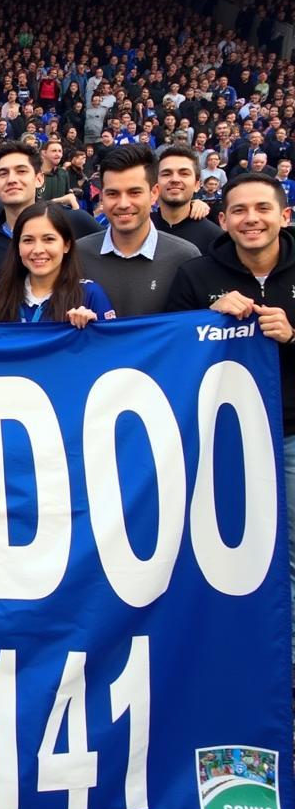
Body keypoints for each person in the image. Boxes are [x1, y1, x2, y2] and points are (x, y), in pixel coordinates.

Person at [165, 172, 295, 663]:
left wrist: (293, 335)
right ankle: (229, 659)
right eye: (239, 211)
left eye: (262, 209)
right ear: (223, 220)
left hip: (287, 436)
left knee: (286, 556)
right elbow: (171, 349)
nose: (251, 219)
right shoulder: (198, 276)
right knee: (214, 554)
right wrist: (209, 318)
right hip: (216, 440)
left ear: (284, 215)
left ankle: (282, 669)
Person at [75, 144, 200, 316]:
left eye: (134, 193)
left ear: (154, 193)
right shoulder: (77, 255)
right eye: (113, 194)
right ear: (102, 197)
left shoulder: (185, 257)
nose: (124, 204)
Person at [0, 140, 100, 277]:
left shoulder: (76, 222)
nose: (12, 179)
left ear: (39, 179)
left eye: (21, 171)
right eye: (3, 174)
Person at [0, 202, 115, 326]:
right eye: (28, 240)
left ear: (66, 245)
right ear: (17, 246)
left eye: (49, 239)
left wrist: (93, 329)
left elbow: (109, 346)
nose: (38, 250)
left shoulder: (89, 294)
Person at [153, 145, 222, 255]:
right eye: (166, 174)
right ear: (156, 184)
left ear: (197, 185)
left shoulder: (216, 239)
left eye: (184, 173)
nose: (175, 179)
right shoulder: (141, 230)